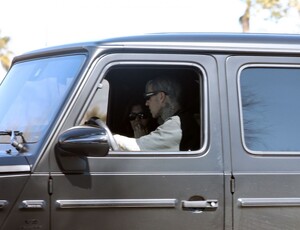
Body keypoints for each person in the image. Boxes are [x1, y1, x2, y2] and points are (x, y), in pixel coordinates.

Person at [113, 76, 200, 151]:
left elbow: (136, 147)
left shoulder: (177, 124)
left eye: (148, 97)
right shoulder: (184, 120)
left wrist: (109, 138)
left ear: (161, 97)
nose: (146, 103)